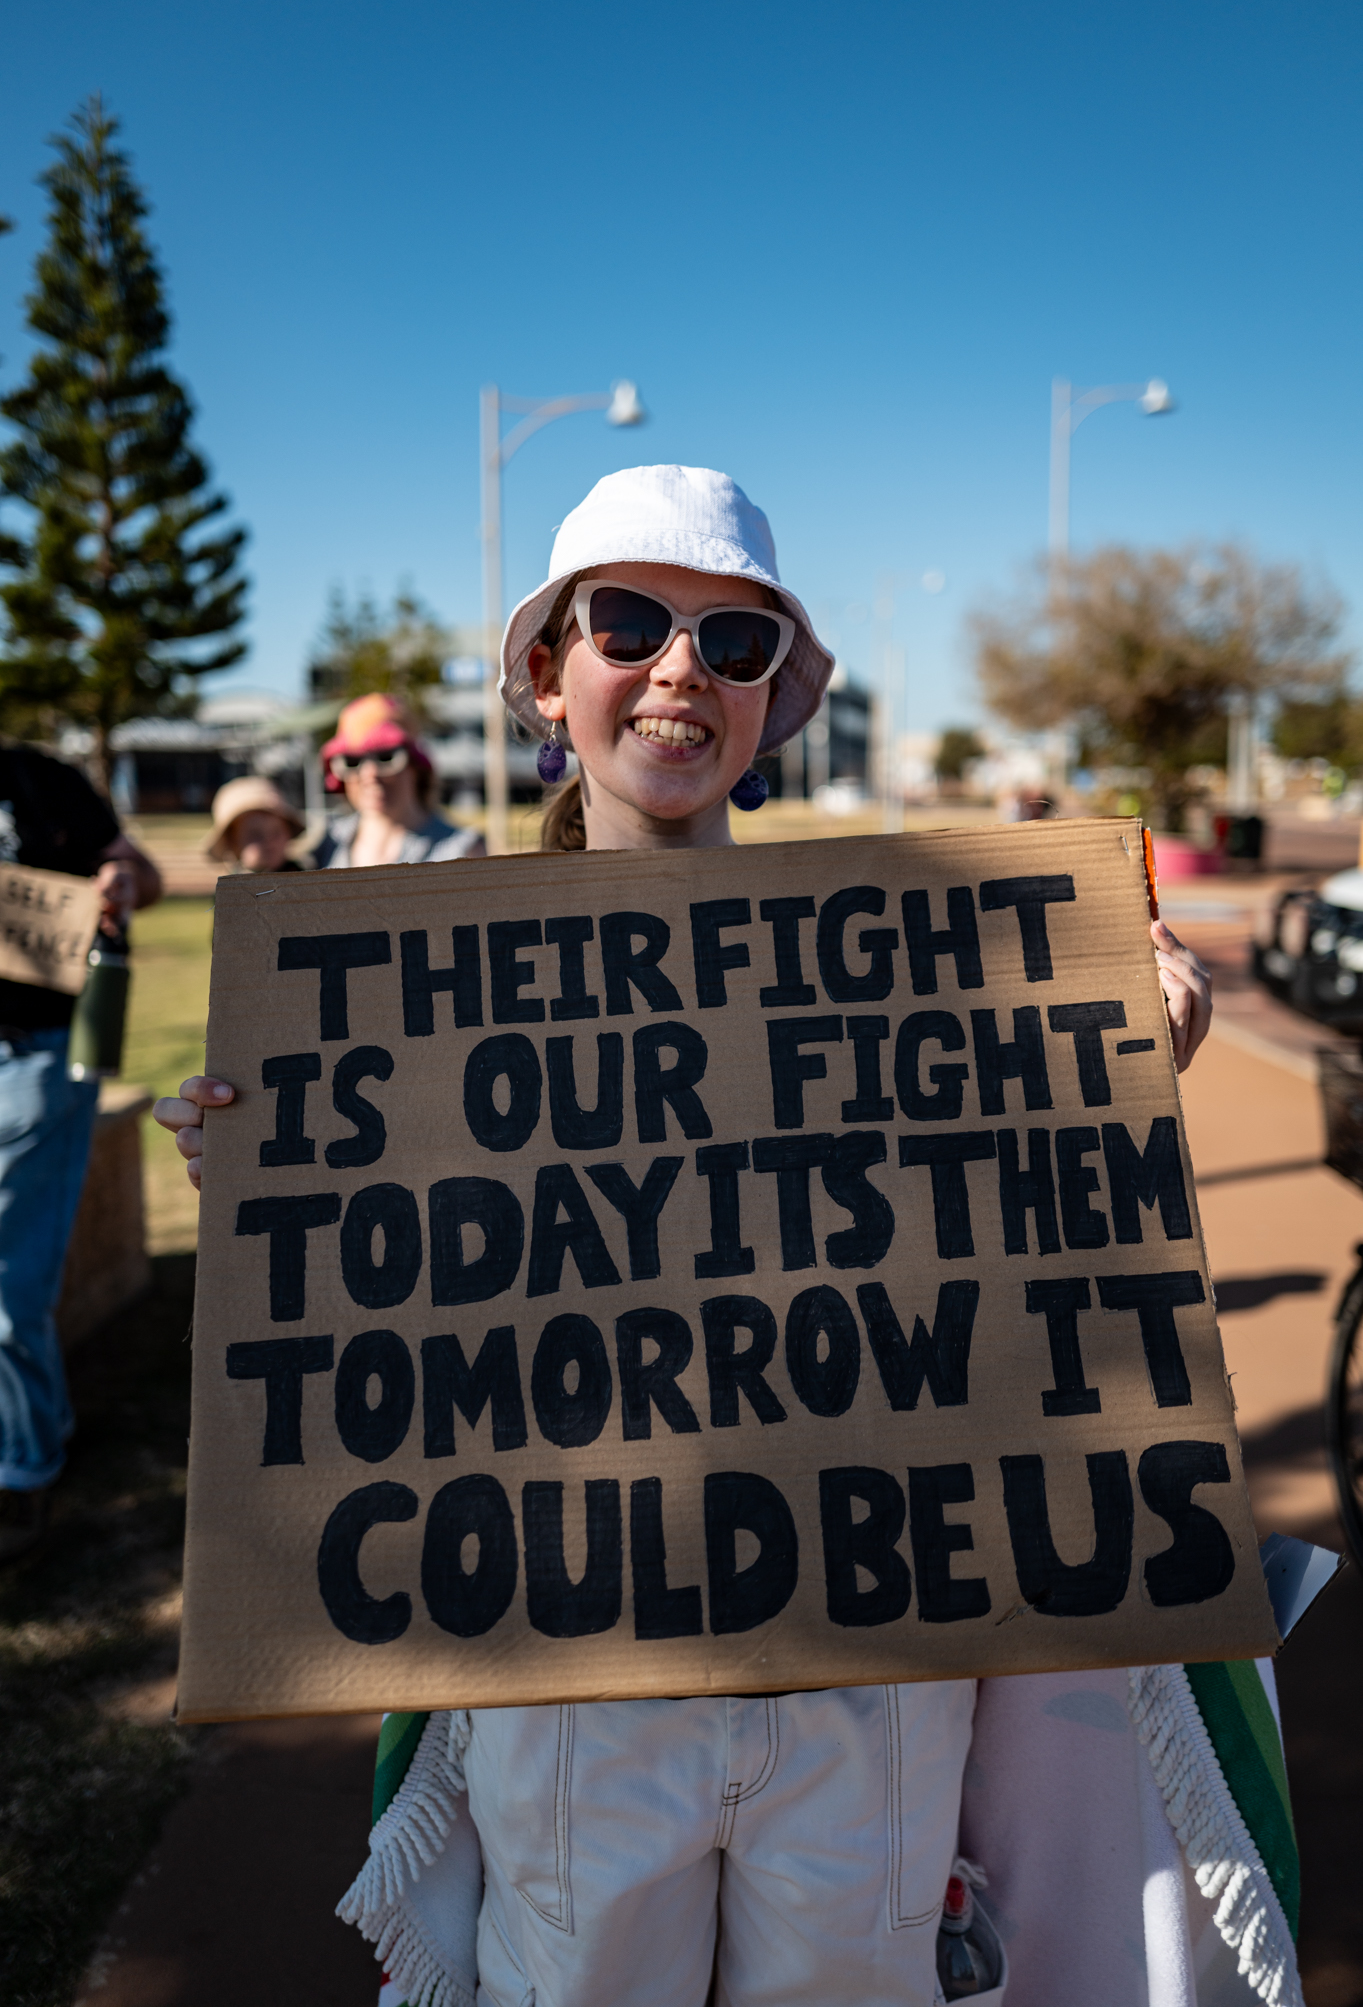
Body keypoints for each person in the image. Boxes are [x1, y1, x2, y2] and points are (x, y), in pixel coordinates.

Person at [154, 468, 1295, 2007]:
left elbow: (1013, 1276)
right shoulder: (411, 991)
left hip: (865, 1677)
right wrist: (271, 1155)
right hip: (574, 1672)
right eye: (628, 623)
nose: (679, 667)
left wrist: (1111, 1056)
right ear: (550, 680)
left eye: (732, 642)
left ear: (770, 706)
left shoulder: (920, 975)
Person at [0, 739, 161, 1562]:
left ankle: (24, 1476)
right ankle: (42, 1423)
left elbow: (143, 873)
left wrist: (122, 884)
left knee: (5, 1285)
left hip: (38, 1054)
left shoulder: (43, 779)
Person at [313, 692, 484, 868]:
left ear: (415, 766)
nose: (370, 774)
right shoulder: (325, 843)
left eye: (386, 757)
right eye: (352, 761)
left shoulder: (462, 850)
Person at [204, 775, 307, 874]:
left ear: (288, 833)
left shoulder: (306, 878)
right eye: (255, 835)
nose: (268, 841)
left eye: (276, 832)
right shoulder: (234, 888)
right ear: (232, 842)